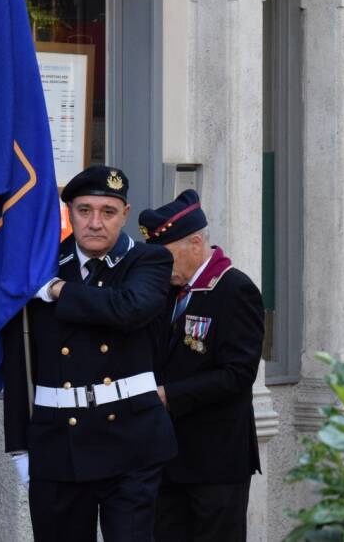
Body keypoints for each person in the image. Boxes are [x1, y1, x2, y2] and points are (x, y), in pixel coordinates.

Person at [2, 165, 177, 542]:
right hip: (58, 443)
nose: (95, 223)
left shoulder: (148, 261)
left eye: (107, 212)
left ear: (125, 214)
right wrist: (18, 443)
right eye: (84, 210)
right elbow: (20, 357)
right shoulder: (40, 266)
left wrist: (58, 291)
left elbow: (128, 308)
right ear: (69, 213)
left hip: (132, 442)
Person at [138, 189, 265, 542]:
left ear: (195, 244)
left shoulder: (235, 290)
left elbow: (238, 374)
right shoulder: (166, 293)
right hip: (167, 457)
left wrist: (169, 396)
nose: (160, 268)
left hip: (216, 461)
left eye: (166, 257)